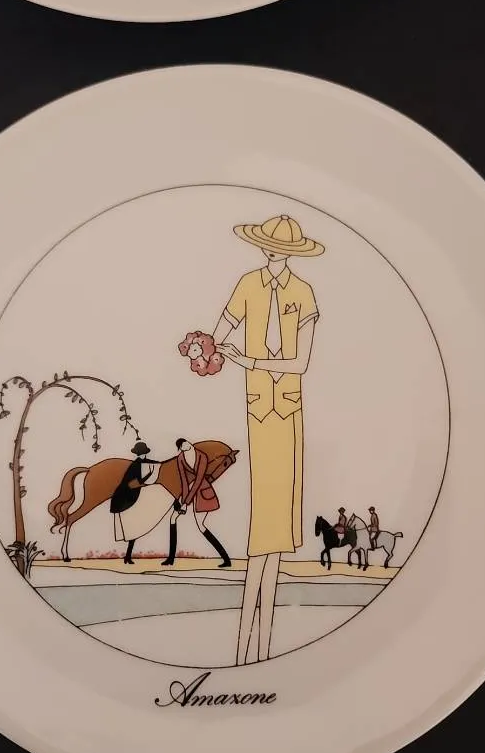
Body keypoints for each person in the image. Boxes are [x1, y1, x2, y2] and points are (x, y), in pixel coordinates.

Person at [213, 213, 324, 665]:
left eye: (282, 249)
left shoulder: (304, 293)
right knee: (265, 517)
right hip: (258, 409)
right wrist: (205, 350)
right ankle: (249, 643)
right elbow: (219, 334)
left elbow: (300, 364)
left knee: (276, 521)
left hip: (288, 411)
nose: (273, 253)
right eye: (270, 246)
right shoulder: (248, 285)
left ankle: (258, 644)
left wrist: (248, 361)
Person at [162, 439, 231, 568]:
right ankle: (170, 559)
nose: (186, 445)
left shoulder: (202, 456)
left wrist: (186, 502)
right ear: (181, 449)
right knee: (173, 518)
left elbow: (199, 480)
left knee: (201, 526)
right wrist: (183, 500)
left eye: (186, 443)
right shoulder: (180, 458)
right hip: (188, 492)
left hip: (202, 492)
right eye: (183, 446)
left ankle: (226, 559)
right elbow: (184, 480)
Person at [110, 441, 161, 564]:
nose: (143, 455)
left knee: (134, 528)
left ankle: (127, 556)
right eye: (142, 453)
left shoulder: (144, 462)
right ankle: (127, 556)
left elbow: (152, 463)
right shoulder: (135, 465)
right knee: (132, 528)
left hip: (135, 497)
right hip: (128, 499)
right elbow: (131, 483)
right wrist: (147, 477)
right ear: (140, 453)